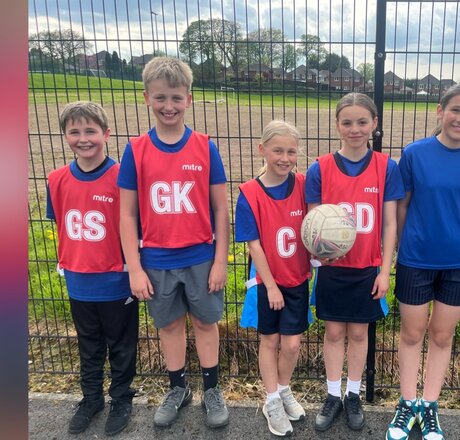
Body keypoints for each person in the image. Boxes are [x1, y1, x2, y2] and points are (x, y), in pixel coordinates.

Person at [118, 56, 230, 429]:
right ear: (146, 97)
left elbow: (220, 210)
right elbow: (128, 215)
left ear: (189, 99)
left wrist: (219, 260)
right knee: (169, 327)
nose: (169, 106)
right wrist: (134, 267)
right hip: (157, 260)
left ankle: (212, 389)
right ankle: (178, 387)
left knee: (204, 323)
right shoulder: (135, 150)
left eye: (176, 98)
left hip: (200, 256)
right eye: (161, 97)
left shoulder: (204, 147)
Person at [387, 84, 460, 440]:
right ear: (440, 111)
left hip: (458, 262)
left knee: (442, 335)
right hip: (416, 260)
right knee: (412, 333)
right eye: (455, 110)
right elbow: (401, 206)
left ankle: (429, 406)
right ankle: (406, 404)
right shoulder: (415, 153)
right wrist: (405, 245)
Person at [305, 93, 404, 432]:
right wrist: (319, 251)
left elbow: (390, 223)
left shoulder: (386, 167)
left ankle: (353, 394)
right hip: (333, 269)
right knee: (333, 332)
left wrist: (384, 269)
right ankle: (332, 394)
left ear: (374, 124)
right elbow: (312, 221)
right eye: (347, 122)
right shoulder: (320, 168)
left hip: (366, 268)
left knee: (360, 333)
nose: (355, 129)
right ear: (337, 125)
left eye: (362, 122)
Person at [46, 101, 138, 436]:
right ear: (65, 136)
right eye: (74, 131)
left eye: (90, 131)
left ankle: (122, 398)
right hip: (78, 281)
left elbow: (133, 226)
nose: (83, 138)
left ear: (105, 134)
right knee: (89, 343)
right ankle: (91, 399)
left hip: (117, 281)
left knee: (122, 343)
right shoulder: (56, 179)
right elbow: (60, 222)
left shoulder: (122, 179)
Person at [235, 120, 310, 437]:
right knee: (270, 341)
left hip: (298, 279)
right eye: (277, 150)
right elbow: (255, 245)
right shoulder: (249, 194)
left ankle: (283, 389)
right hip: (269, 283)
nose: (284, 157)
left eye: (291, 151)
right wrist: (270, 286)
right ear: (262, 149)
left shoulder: (305, 185)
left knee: (292, 345)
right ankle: (272, 401)